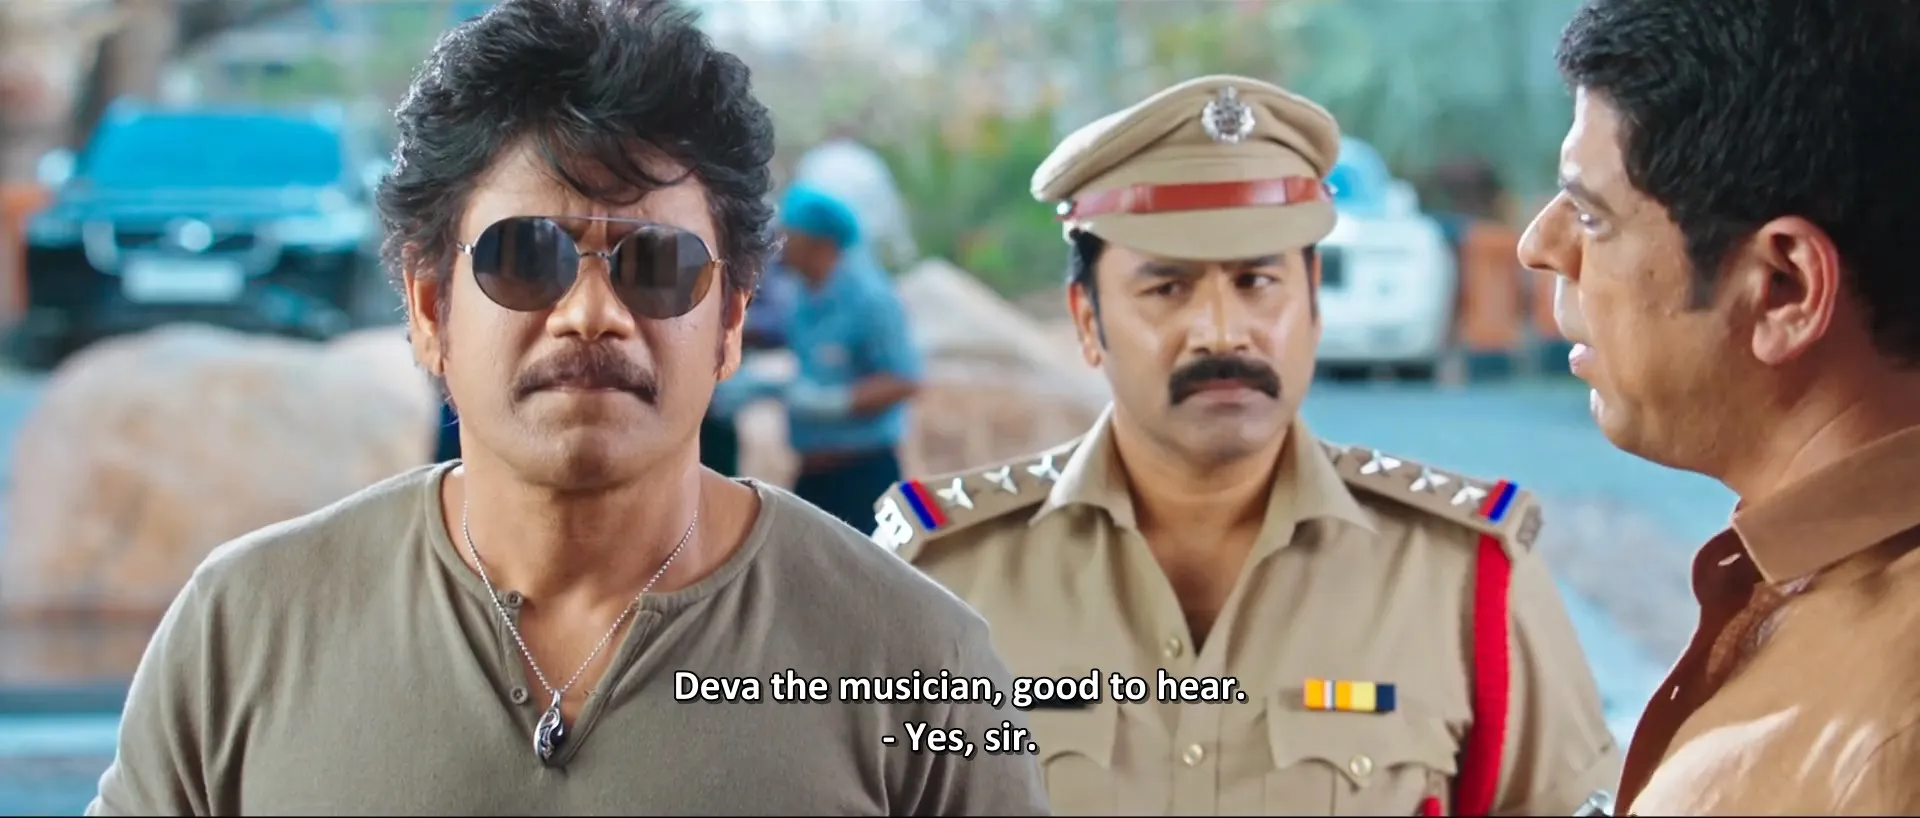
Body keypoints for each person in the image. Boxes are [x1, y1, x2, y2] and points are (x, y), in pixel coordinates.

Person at [87, 1, 1047, 815]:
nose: (592, 314)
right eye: (524, 257)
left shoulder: (920, 661)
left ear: (730, 324)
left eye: (657, 266)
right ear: (430, 308)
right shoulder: (244, 631)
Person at [871, 74, 1620, 816]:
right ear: (1087, 320)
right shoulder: (941, 581)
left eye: (1257, 282)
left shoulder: (1461, 577)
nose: (1222, 332)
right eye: (1167, 288)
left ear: (1313, 302)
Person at [1520, 0, 1920, 813]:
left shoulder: (1879, 746)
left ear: (1783, 288)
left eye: (1592, 215)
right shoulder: (1814, 607)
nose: (1540, 246)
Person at [740, 183, 922, 530]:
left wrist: (835, 403)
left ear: (819, 243)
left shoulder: (870, 299)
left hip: (863, 473)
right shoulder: (800, 297)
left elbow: (905, 379)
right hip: (812, 470)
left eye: (789, 235)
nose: (779, 244)